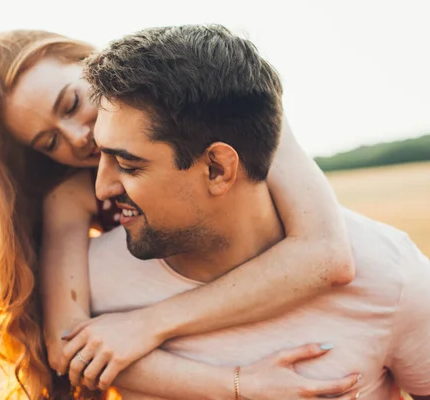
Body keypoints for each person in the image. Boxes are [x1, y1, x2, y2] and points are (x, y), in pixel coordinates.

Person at [0, 29, 358, 399]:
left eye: (72, 103)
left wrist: (149, 325)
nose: (78, 138)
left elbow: (325, 254)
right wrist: (238, 385)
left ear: (88, 62)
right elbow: (65, 346)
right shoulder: (74, 195)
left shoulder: (218, 105)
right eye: (48, 142)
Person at [60, 24, 430, 399]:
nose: (101, 188)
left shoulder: (391, 274)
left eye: (128, 164)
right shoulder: (91, 284)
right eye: (101, 155)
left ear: (218, 169)